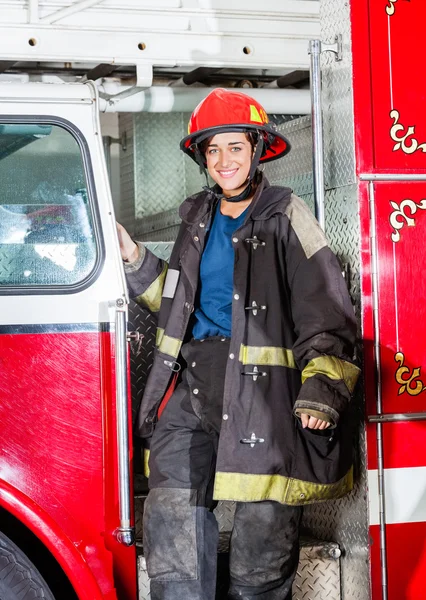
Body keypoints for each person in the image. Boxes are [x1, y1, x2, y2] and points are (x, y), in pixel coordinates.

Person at [117, 88, 360, 600]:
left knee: (262, 538)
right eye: (212, 150)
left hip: (266, 397)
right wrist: (134, 256)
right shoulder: (197, 218)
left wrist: (321, 390)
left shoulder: (286, 216)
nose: (223, 160)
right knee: (171, 515)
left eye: (234, 147)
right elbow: (181, 302)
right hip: (192, 386)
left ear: (255, 149)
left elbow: (327, 309)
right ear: (203, 158)